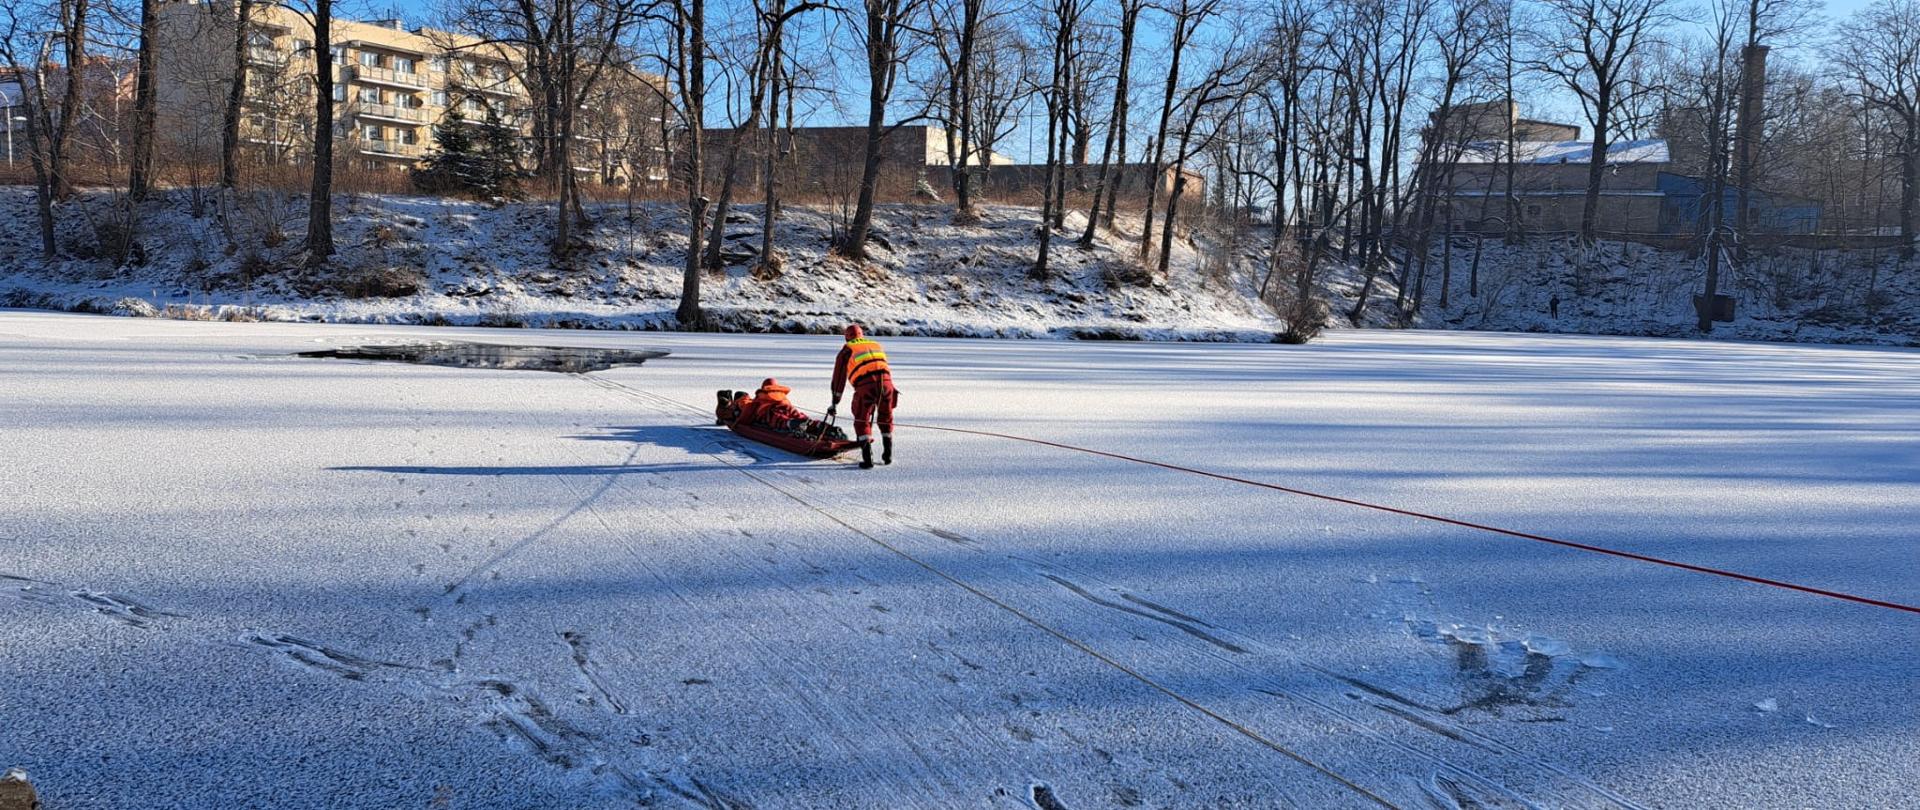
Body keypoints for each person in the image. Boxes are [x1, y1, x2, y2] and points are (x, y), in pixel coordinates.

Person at [827, 324, 896, 469]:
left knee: (861, 419)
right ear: (861, 334)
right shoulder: (875, 344)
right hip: (888, 385)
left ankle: (867, 459)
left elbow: (839, 379)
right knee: (886, 416)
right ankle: (888, 455)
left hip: (866, 386)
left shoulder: (847, 350)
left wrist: (835, 402)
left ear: (847, 337)